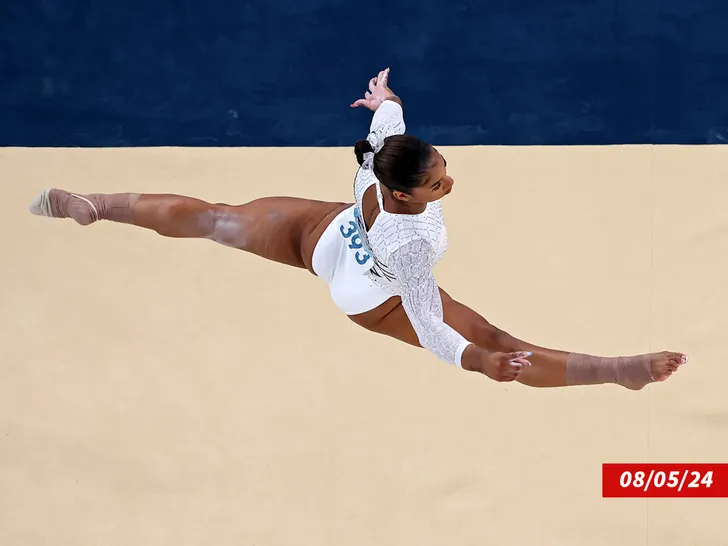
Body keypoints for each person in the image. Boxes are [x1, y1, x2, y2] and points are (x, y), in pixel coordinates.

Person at [29, 67, 687, 389]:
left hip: (321, 234)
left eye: (445, 173)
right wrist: (477, 359)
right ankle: (615, 371)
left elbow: (387, 122)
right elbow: (429, 321)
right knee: (496, 337)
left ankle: (96, 204)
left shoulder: (380, 160)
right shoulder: (415, 240)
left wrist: (384, 101)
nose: (449, 185)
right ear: (404, 192)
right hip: (369, 294)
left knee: (215, 218)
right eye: (437, 184)